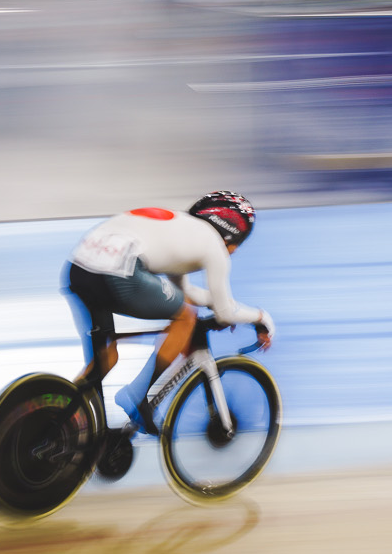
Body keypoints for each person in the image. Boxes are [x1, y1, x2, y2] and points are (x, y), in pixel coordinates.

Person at [63, 191, 274, 450]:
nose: (237, 250)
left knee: (105, 361)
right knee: (186, 318)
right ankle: (137, 396)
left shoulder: (182, 230)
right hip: (117, 272)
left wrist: (222, 307)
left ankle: (59, 417)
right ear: (233, 234)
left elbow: (188, 293)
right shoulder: (213, 245)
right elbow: (225, 314)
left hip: (80, 268)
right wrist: (261, 317)